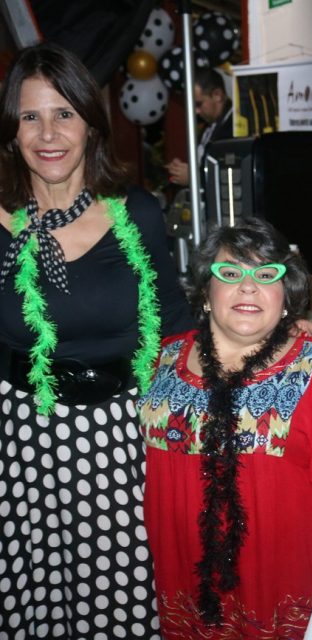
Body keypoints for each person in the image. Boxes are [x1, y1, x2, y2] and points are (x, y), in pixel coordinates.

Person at [0, 43, 194, 639]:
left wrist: (272, 340)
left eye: (64, 113)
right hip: (19, 444)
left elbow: (178, 325)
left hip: (119, 443)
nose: (48, 133)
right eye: (30, 117)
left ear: (90, 122)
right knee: (30, 602)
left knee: (118, 602)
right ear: (11, 131)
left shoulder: (136, 213)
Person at [136, 218, 312, 638]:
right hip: (180, 585)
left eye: (266, 275)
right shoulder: (159, 360)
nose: (248, 287)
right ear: (206, 291)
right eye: (230, 273)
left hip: (280, 588)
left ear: (286, 297)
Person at [165, 66, 233, 186]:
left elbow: (230, 172)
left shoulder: (234, 125)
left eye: (199, 104)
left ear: (217, 95)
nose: (196, 111)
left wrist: (194, 177)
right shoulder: (209, 125)